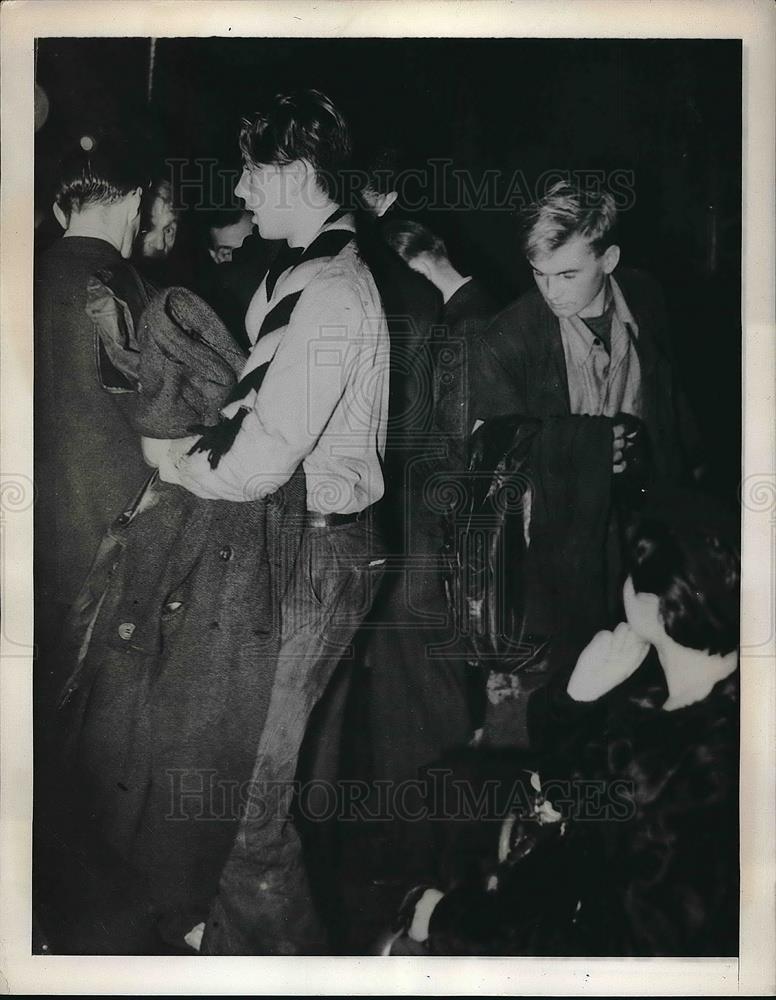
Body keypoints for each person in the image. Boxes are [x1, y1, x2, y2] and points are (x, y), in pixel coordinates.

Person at [147, 88, 389, 955]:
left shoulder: (329, 292)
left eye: (252, 173)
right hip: (300, 549)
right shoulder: (298, 278)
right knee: (240, 789)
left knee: (246, 811)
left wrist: (165, 461)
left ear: (291, 172)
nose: (242, 194)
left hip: (320, 556)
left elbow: (257, 460)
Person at [388, 490, 740, 957]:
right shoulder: (691, 694)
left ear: (657, 606)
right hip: (578, 866)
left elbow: (602, 952)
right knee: (445, 785)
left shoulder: (692, 791)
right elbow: (572, 780)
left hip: (578, 926)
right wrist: (577, 694)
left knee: (403, 943)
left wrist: (446, 918)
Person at [469, 182, 701, 650]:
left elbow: (670, 397)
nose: (550, 292)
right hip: (558, 552)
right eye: (539, 274)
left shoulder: (645, 296)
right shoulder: (508, 339)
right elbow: (487, 455)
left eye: (568, 275)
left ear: (609, 259)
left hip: (642, 523)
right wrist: (587, 446)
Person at [34, 137, 152, 668]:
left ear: (63, 210)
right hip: (110, 535)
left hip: (28, 535)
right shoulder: (127, 287)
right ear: (134, 200)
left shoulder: (21, 276)